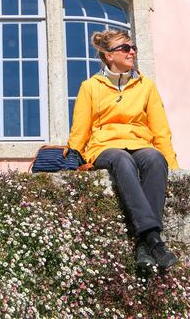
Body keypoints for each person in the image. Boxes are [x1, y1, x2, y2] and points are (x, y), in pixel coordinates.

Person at [67, 28, 179, 269]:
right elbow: (80, 128)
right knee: (121, 159)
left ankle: (143, 244)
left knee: (155, 159)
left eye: (133, 48)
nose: (132, 52)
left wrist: (172, 164)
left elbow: (160, 129)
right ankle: (154, 239)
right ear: (109, 55)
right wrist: (73, 156)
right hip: (105, 146)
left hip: (140, 143)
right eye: (125, 48)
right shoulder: (90, 87)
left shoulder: (146, 86)